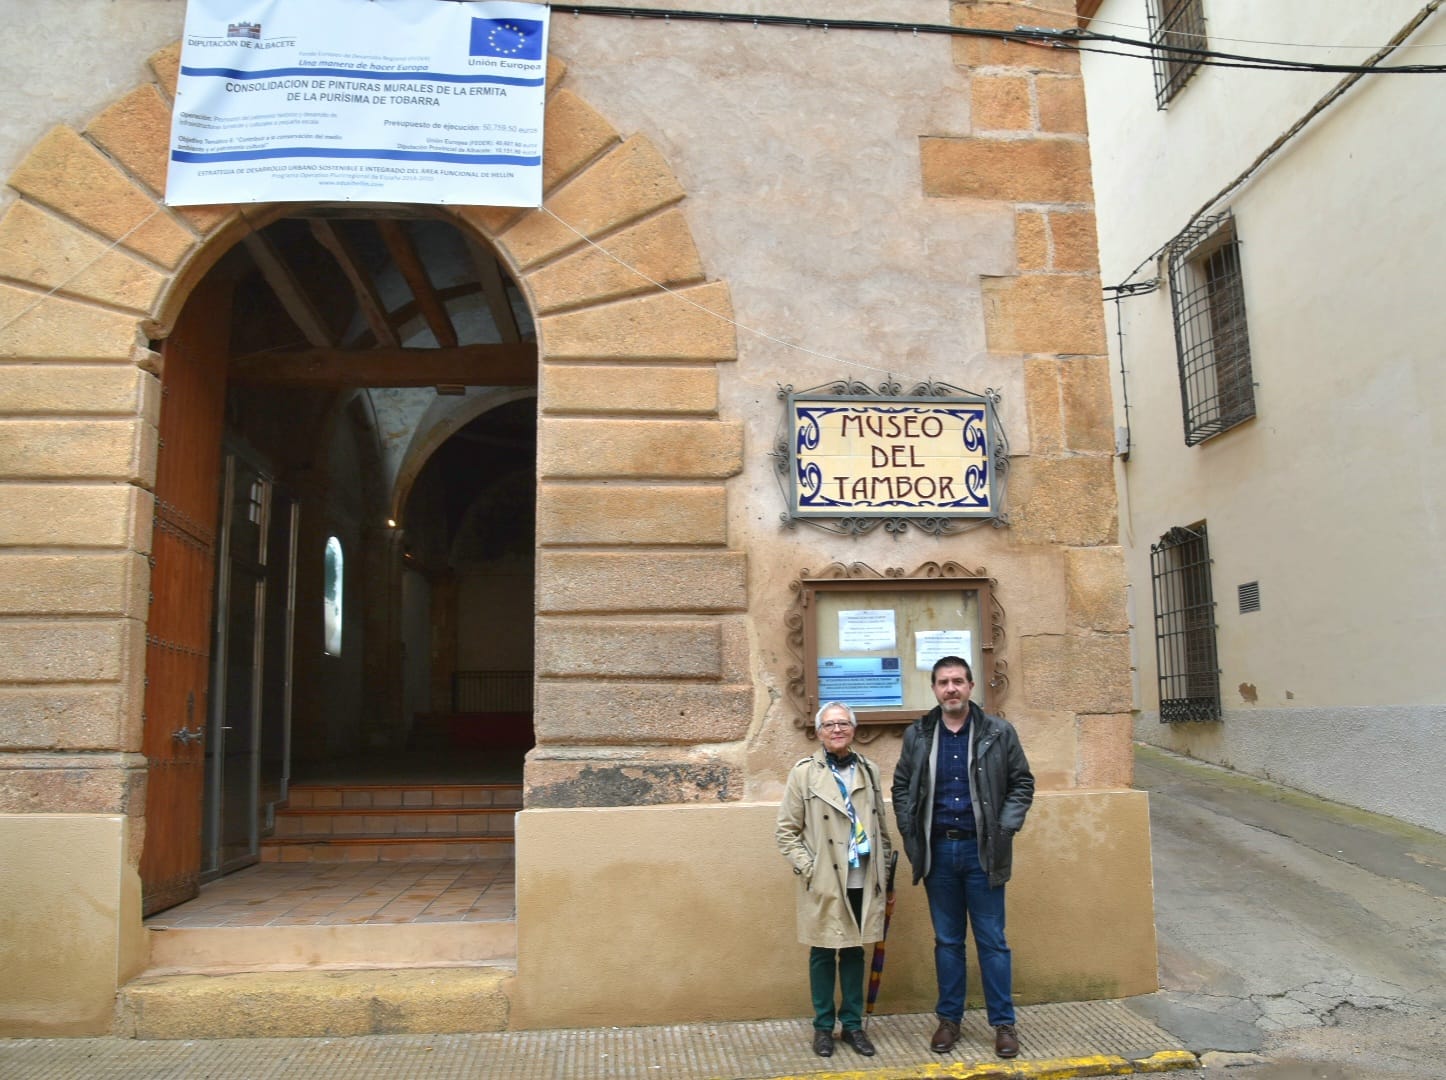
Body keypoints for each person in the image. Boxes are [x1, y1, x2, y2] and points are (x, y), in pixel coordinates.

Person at [891, 656, 1034, 1059]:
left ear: (971, 686)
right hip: (938, 852)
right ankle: (949, 1020)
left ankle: (1003, 1024)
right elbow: (902, 786)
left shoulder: (998, 732)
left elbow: (1022, 783)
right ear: (934, 689)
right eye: (942, 682)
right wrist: (910, 827)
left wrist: (1005, 828)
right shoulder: (918, 734)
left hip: (982, 851)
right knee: (948, 942)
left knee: (992, 942)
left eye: (957, 681)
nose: (950, 688)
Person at [775, 701, 893, 1058]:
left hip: (861, 870)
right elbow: (786, 832)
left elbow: (882, 829)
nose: (837, 729)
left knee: (855, 949)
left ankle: (853, 1025)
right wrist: (809, 868)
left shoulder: (869, 771)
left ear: (853, 730)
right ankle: (823, 1027)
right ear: (819, 732)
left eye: (843, 723)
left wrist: (883, 872)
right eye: (829, 725)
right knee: (824, 951)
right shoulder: (804, 773)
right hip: (825, 875)